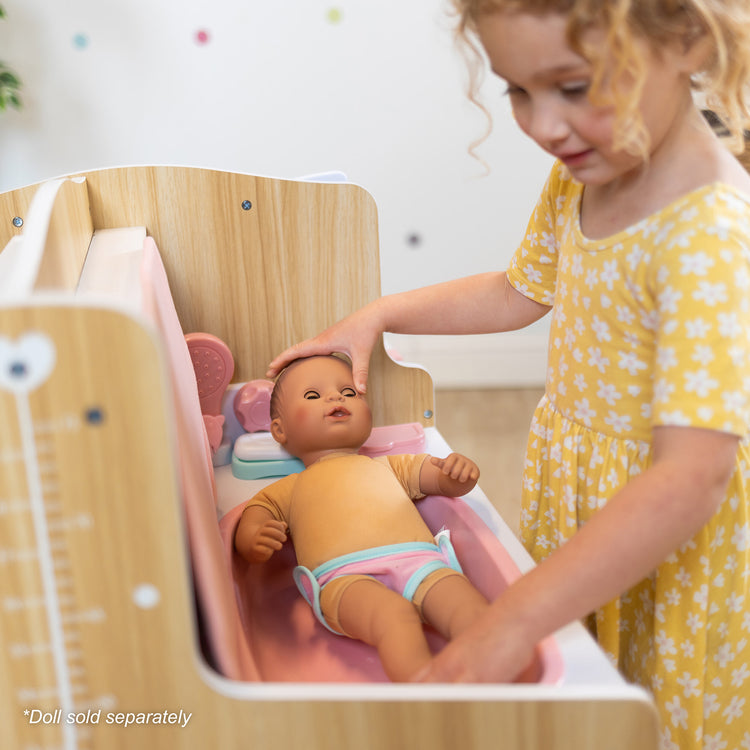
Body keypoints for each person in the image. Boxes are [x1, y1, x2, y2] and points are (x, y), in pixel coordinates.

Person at [267, 2, 750, 746]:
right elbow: (517, 293)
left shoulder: (708, 233)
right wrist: (380, 313)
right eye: (519, 92)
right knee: (580, 697)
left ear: (686, 43)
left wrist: (513, 620)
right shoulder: (584, 175)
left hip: (669, 537)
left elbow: (692, 477)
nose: (545, 126)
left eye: (574, 85)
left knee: (645, 717)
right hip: (586, 496)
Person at [234, 354, 489, 682]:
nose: (335, 397)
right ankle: (427, 690)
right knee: (393, 617)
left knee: (468, 609)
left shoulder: (390, 465)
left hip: (420, 562)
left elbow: (439, 478)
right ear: (280, 431)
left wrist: (458, 474)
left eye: (349, 392)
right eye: (313, 395)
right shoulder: (291, 488)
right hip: (345, 579)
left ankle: (496, 680)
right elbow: (256, 516)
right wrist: (253, 539)